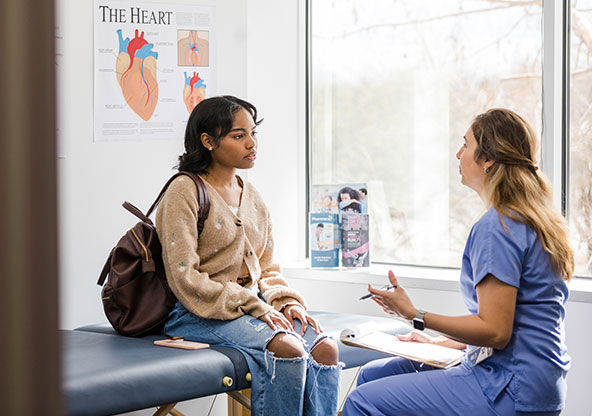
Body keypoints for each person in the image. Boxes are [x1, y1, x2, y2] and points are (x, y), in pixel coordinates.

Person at [343, 108, 573, 415]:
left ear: (488, 159)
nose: (457, 154)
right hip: (539, 379)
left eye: (466, 145)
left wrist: (414, 313)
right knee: (374, 374)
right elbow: (519, 327)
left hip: (511, 387)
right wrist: (436, 343)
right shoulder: (534, 219)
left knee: (363, 401)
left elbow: (495, 332)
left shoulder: (498, 227)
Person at [156, 96, 341, 416]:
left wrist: (287, 302)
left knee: (325, 348)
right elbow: (185, 277)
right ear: (208, 141)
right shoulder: (183, 191)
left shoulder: (252, 195)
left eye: (253, 133)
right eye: (239, 136)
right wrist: (251, 304)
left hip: (254, 305)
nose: (252, 143)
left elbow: (267, 267)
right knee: (288, 348)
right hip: (197, 313)